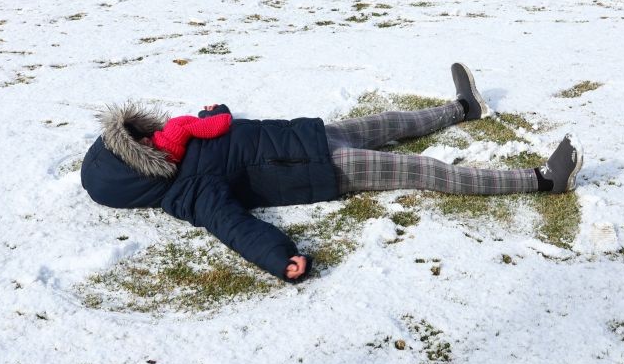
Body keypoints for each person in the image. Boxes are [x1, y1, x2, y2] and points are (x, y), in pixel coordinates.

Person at [81, 64, 584, 282]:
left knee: (393, 123)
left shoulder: (181, 139)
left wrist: (215, 112)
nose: (149, 137)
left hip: (313, 135)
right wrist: (281, 258)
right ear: (137, 171)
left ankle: (462, 108)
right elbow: (235, 228)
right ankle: (542, 180)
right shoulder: (188, 193)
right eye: (138, 145)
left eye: (139, 133)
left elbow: (229, 130)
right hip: (325, 169)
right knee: (424, 169)